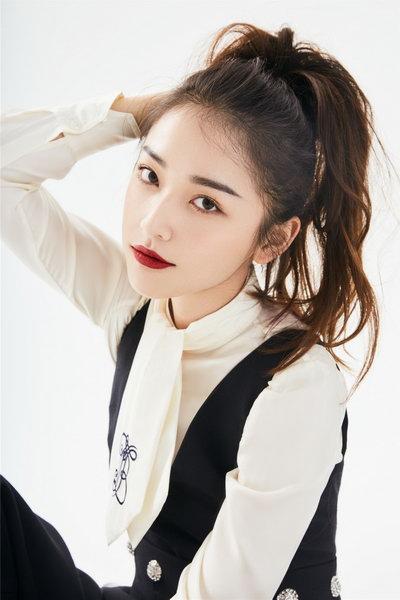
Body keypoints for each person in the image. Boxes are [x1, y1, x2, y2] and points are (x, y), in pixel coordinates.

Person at [1, 21, 381, 600]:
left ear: (273, 239)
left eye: (205, 202)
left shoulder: (295, 384)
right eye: (150, 175)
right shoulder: (137, 304)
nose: (153, 223)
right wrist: (131, 115)